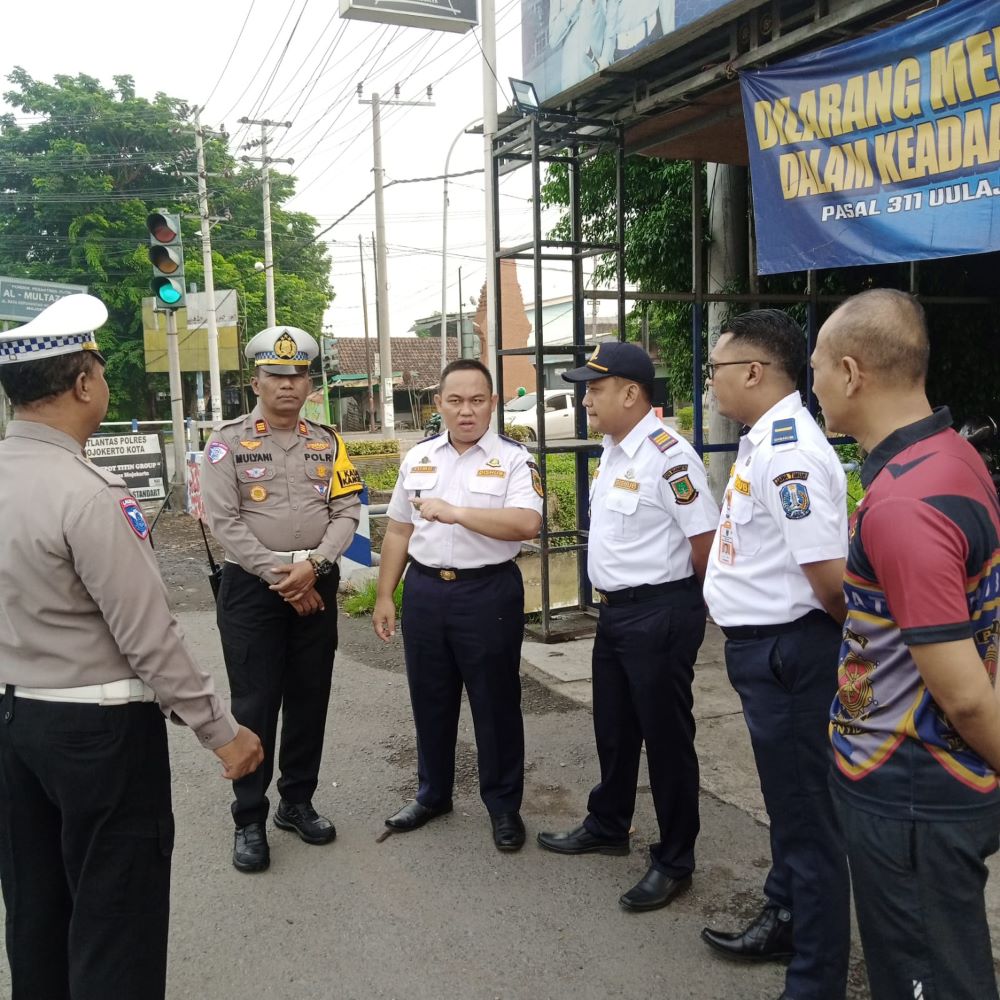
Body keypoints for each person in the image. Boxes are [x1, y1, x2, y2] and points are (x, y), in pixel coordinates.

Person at [0, 294, 263, 1000]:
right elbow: (148, 638)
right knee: (116, 918)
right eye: (102, 371)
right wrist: (222, 731)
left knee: (35, 912)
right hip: (99, 735)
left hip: (14, 723)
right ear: (83, 382)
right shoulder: (88, 493)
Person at [812, 289, 1000, 1000]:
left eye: (819, 370)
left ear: (853, 373)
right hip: (923, 776)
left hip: (913, 788)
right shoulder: (950, 455)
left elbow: (963, 693)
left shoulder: (904, 505)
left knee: (929, 977)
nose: (817, 387)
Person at [535, 342, 718, 911]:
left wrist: (672, 604)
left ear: (631, 393)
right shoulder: (616, 450)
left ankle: (674, 858)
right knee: (614, 728)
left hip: (658, 612)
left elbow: (705, 544)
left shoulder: (670, 456)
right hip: (615, 613)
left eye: (594, 388)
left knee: (665, 739)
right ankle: (609, 824)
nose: (585, 398)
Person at [700, 309, 850, 1000]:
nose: (710, 386)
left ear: (754, 372)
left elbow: (829, 580)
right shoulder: (766, 440)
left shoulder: (787, 448)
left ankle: (814, 979)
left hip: (790, 654)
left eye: (716, 371)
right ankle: (786, 915)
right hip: (765, 651)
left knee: (806, 819)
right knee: (788, 806)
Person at [201, 325, 362, 873]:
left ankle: (296, 802)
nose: (287, 385)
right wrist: (283, 576)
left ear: (310, 383)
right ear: (256, 381)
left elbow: (347, 512)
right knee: (255, 703)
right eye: (276, 374)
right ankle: (249, 817)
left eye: (297, 375)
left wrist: (313, 568)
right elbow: (224, 521)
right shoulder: (226, 443)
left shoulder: (329, 441)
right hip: (252, 590)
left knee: (310, 696)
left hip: (316, 578)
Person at [373, 358, 543, 851]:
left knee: (495, 703)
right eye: (455, 401)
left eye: (476, 400)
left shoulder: (514, 459)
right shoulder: (420, 457)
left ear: (493, 403)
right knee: (430, 697)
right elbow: (400, 529)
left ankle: (503, 806)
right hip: (425, 591)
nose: (465, 411)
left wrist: (457, 513)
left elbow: (525, 524)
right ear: (439, 404)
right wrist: (386, 594)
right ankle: (433, 794)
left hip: (487, 592)